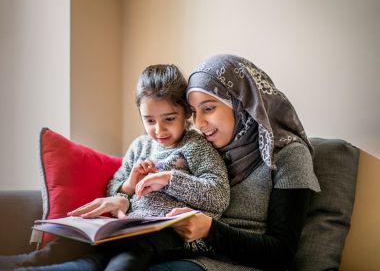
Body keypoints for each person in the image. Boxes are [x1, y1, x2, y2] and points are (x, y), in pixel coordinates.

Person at [18, 64, 230, 270]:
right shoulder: (140, 146)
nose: (159, 129)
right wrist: (129, 184)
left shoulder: (196, 146)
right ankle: (21, 264)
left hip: (174, 232)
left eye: (169, 119)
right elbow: (113, 187)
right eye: (149, 120)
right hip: (130, 227)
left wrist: (169, 180)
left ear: (185, 112)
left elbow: (219, 196)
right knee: (70, 243)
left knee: (131, 253)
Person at [149, 54, 321, 270]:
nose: (199, 123)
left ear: (242, 104)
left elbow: (281, 253)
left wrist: (209, 230)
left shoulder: (289, 155)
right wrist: (124, 198)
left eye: (208, 108)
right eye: (193, 112)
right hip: (183, 254)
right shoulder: (204, 149)